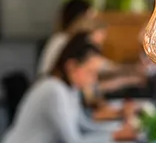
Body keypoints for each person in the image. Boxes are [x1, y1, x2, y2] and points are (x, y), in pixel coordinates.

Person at [2, 33, 138, 143]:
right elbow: (73, 140)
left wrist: (119, 129)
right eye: (91, 72)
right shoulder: (53, 90)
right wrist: (115, 136)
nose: (94, 79)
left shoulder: (70, 89)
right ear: (71, 66)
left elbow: (84, 126)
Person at [38, 0, 94, 75]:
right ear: (79, 19)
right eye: (89, 18)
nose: (92, 24)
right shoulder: (62, 40)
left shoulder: (64, 39)